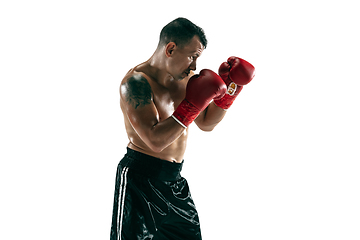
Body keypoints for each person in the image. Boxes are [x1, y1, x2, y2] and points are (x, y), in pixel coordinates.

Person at [110, 17, 255, 240]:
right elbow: (155, 141)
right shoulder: (135, 82)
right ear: (170, 49)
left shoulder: (186, 79)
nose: (195, 66)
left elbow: (206, 123)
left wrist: (231, 90)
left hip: (175, 182)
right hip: (139, 181)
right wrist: (192, 105)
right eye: (192, 57)